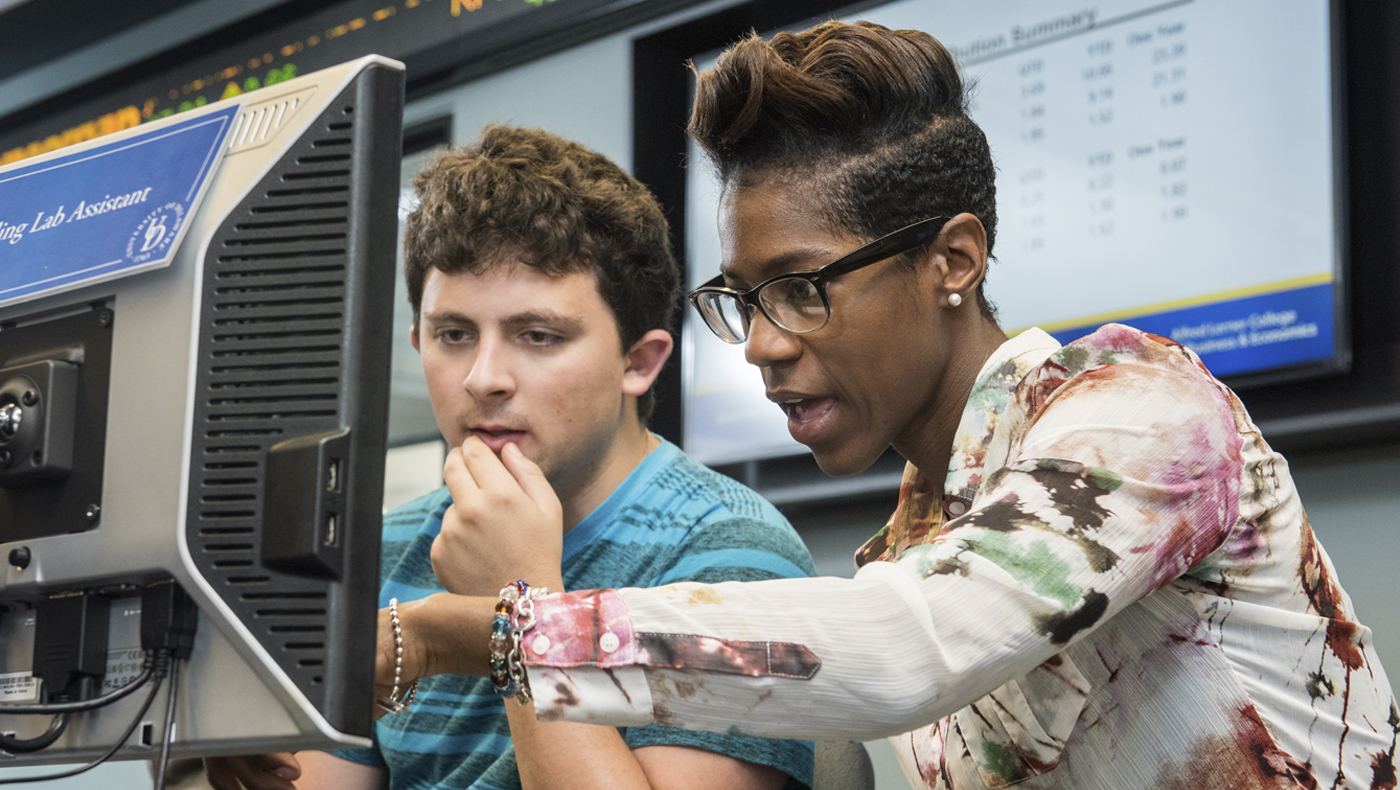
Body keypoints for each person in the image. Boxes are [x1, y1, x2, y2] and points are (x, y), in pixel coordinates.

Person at [398, 21, 1400, 790]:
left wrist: (498, 627)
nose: (760, 344)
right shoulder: (908, 545)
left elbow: (911, 645)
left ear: (950, 260)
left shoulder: (1144, 415)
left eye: (800, 287)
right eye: (742, 301)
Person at [205, 125, 817, 790]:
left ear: (638, 363)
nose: (482, 378)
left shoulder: (734, 556)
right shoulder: (383, 550)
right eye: (454, 335)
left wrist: (524, 605)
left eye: (537, 335)